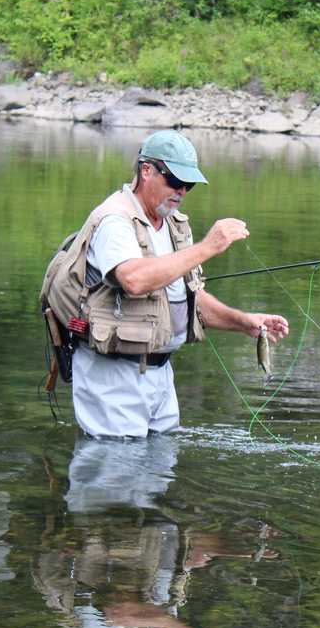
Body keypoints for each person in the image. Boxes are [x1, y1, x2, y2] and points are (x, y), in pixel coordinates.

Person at [68, 130, 289, 438]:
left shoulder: (173, 225)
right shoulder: (114, 221)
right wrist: (208, 247)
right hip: (113, 376)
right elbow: (134, 279)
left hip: (160, 375)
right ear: (146, 170)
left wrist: (244, 322)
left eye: (189, 184)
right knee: (115, 469)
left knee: (157, 472)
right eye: (174, 180)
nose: (181, 191)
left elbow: (188, 298)